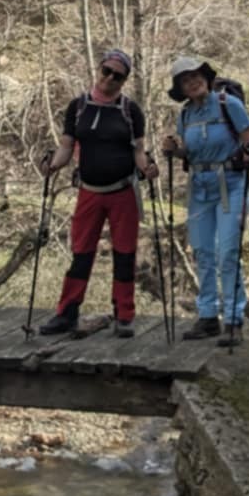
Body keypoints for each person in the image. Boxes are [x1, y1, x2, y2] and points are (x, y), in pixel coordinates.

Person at [39, 49, 159, 339]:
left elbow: (139, 152)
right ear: (99, 68)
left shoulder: (131, 112)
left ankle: (124, 316)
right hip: (89, 192)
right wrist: (52, 165)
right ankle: (66, 314)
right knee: (81, 253)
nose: (110, 78)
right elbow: (67, 146)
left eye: (118, 75)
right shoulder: (78, 107)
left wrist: (149, 168)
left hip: (123, 192)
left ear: (125, 80)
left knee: (124, 254)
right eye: (107, 70)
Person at [159, 57, 249, 342]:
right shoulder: (185, 114)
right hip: (199, 187)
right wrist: (173, 151)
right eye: (184, 79)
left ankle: (234, 319)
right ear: (180, 88)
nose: (192, 81)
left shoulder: (229, 105)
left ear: (206, 76)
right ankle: (207, 317)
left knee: (228, 251)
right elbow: (188, 151)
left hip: (232, 185)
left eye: (196, 75)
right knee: (203, 252)